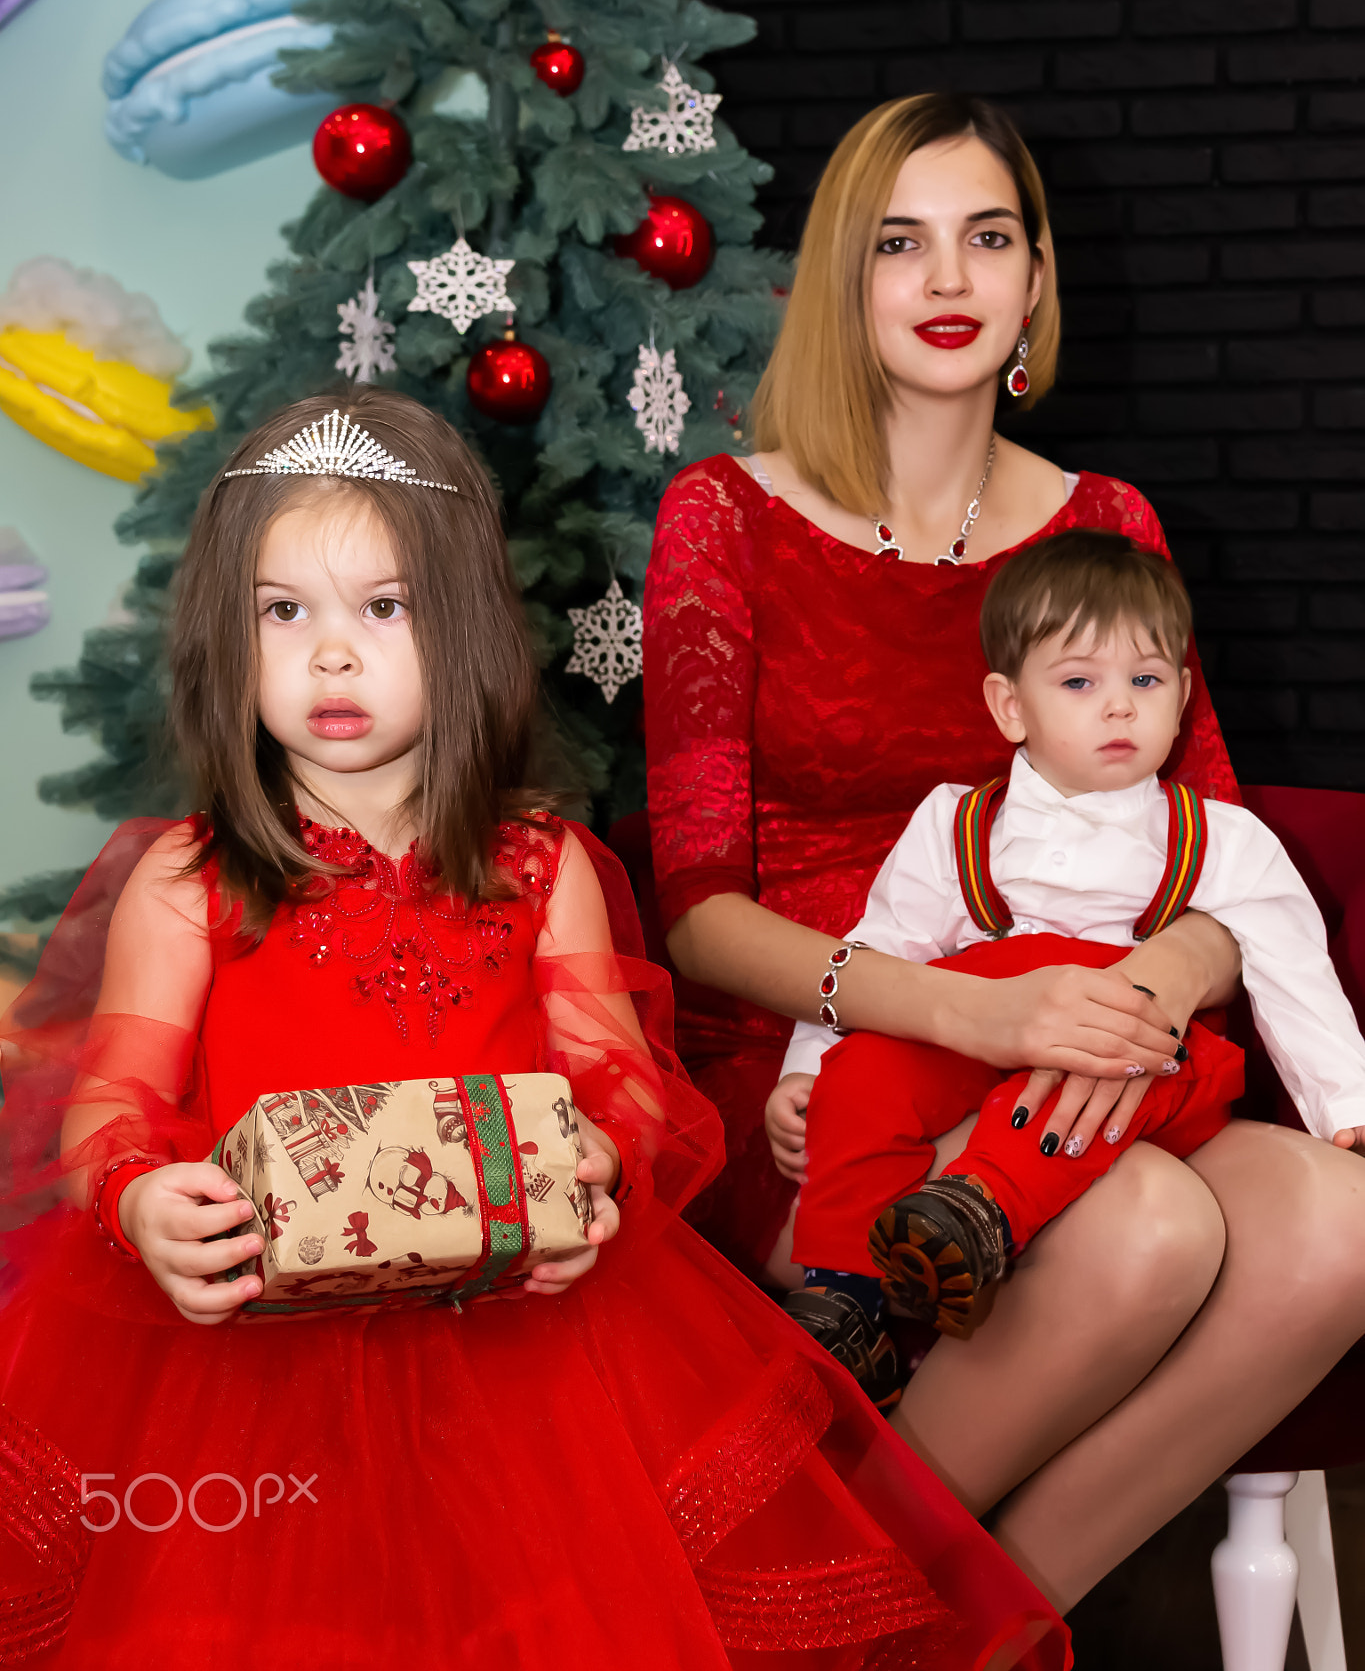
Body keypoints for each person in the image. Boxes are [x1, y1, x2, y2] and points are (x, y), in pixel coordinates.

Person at [0, 391, 1066, 1670]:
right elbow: (107, 1107)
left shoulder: (534, 864)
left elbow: (621, 1087)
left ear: (462, 632)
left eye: (381, 609)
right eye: (285, 612)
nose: (330, 656)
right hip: (249, 1377)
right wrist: (140, 1200)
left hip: (527, 1360)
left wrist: (591, 1173)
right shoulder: (193, 880)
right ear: (228, 640)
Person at [642, 92, 1365, 1613]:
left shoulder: (1107, 523)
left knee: (1336, 1228)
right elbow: (697, 913)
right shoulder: (723, 515)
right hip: (824, 1068)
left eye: (988, 239)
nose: (951, 280)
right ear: (843, 284)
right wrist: (966, 1011)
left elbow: (1208, 842)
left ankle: (942, 1627)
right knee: (1154, 1227)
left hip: (1092, 1037)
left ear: (1036, 280)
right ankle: (800, 1591)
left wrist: (1158, 977)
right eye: (901, 245)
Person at [778, 529, 1365, 1390]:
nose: (1119, 707)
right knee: (864, 1071)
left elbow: (1293, 975)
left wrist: (1345, 1108)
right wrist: (811, 1068)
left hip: (1145, 1060)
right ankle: (841, 1293)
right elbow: (880, 951)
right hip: (986, 1040)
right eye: (1080, 682)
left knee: (1113, 1065)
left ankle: (977, 1210)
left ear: (1182, 698)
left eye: (1145, 680)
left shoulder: (1221, 840)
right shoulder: (954, 824)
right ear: (1009, 706)